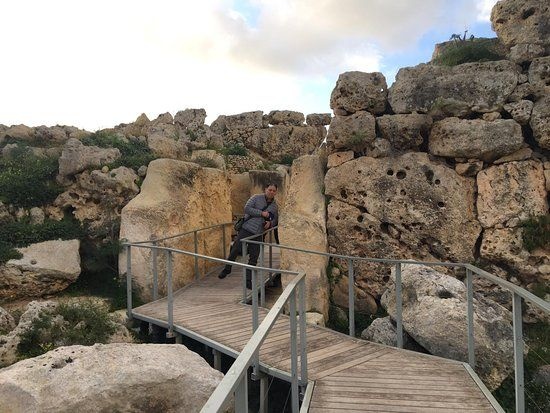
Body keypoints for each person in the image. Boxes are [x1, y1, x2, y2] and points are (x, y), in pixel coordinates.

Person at [219, 183, 278, 287]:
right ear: (265, 189)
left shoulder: (274, 206)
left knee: (254, 257)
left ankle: (248, 281)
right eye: (270, 190)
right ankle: (227, 269)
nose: (271, 192)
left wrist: (270, 223)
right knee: (235, 249)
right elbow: (247, 208)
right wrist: (261, 213)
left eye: (273, 190)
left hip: (259, 233)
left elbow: (275, 219)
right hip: (247, 228)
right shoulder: (256, 198)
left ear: (276, 192)